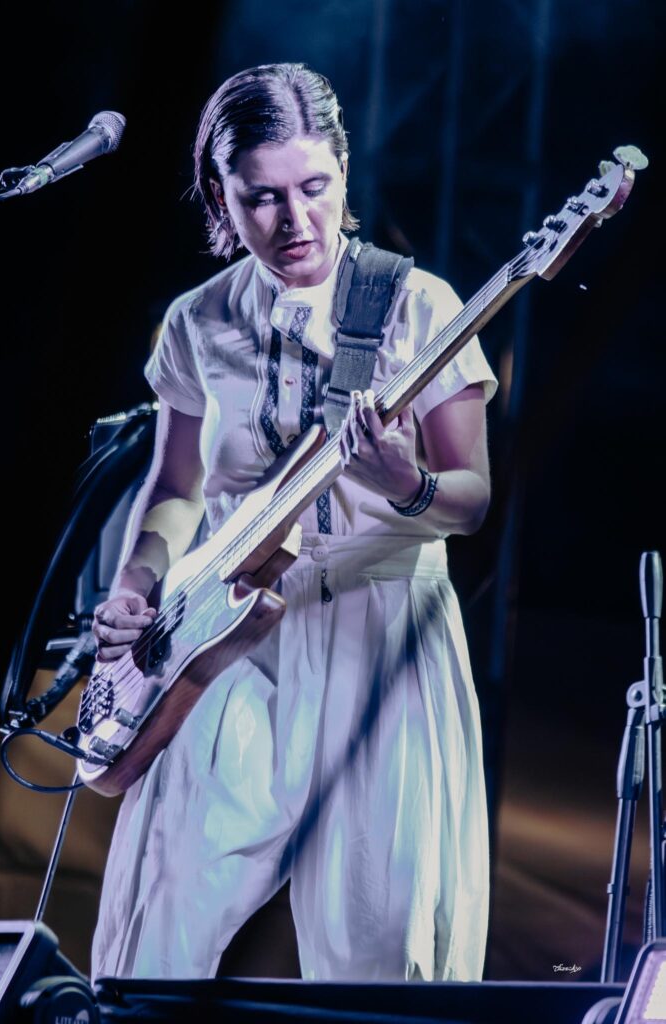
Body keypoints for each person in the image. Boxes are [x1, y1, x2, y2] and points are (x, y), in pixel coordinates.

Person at [90, 62, 497, 983]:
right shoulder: (195, 321)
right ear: (219, 197)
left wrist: (405, 483)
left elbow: (470, 500)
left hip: (380, 628)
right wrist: (133, 587)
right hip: (226, 630)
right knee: (157, 916)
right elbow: (176, 487)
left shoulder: (418, 304)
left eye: (314, 186)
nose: (294, 220)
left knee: (379, 948)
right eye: (262, 197)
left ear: (344, 171)